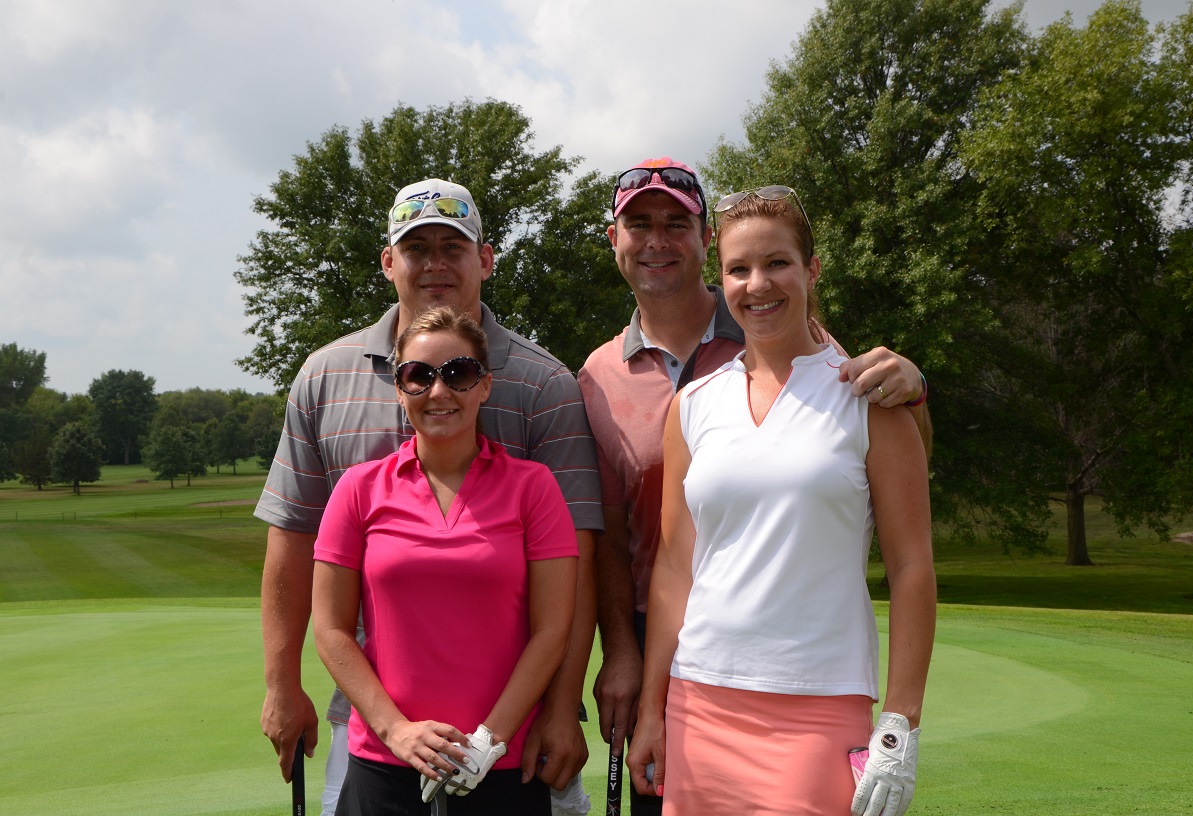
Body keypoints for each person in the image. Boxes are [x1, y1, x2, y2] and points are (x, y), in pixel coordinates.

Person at [577, 158, 930, 815]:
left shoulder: (869, 394)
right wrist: (653, 706)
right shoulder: (694, 404)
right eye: (740, 269)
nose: (757, 284)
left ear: (812, 271)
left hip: (820, 708)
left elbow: (911, 567)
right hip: (698, 703)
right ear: (721, 275)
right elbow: (675, 569)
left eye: (778, 264)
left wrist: (901, 721)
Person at [257, 179, 602, 815]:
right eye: (417, 248)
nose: (436, 263)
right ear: (389, 262)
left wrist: (559, 710)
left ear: (486, 259)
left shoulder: (546, 382)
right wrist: (281, 682)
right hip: (368, 721)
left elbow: (573, 562)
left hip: (514, 728)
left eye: (454, 246)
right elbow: (292, 534)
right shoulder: (322, 375)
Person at [313, 306, 579, 815]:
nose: (440, 392)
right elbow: (330, 629)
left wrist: (488, 741)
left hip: (501, 767)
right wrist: (397, 731)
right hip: (385, 766)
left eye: (459, 373)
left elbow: (553, 630)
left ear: (484, 385)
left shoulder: (533, 488)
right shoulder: (358, 490)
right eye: (419, 375)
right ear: (399, 388)